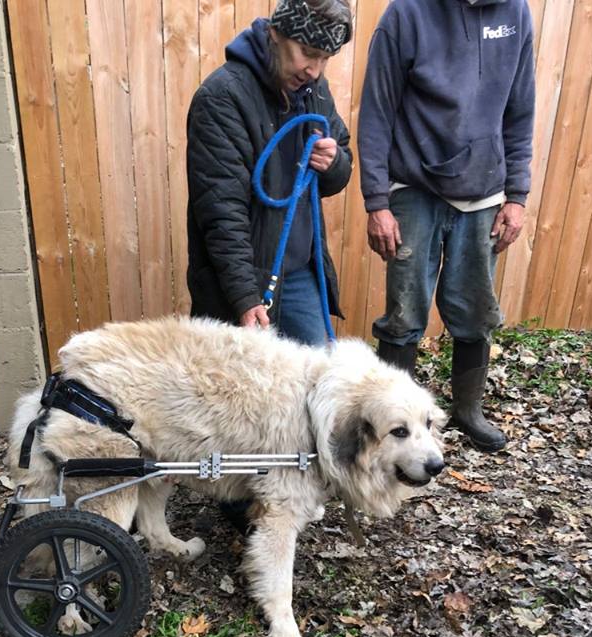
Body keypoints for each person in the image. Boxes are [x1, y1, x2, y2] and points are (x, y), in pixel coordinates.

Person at [358, 0, 535, 452]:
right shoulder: (406, 14)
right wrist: (377, 201)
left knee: (475, 311)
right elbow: (377, 112)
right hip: (414, 188)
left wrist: (516, 195)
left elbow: (520, 110)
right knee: (404, 315)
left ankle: (467, 410)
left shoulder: (515, 13)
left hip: (485, 192)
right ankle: (395, 420)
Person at [186, 0, 353, 347]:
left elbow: (340, 168)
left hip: (301, 274)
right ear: (276, 33)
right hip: (239, 284)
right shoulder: (222, 97)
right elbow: (221, 211)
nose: (315, 70)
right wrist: (245, 299)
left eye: (325, 58)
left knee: (313, 384)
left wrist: (333, 163)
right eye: (307, 52)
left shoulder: (314, 92)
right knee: (236, 393)